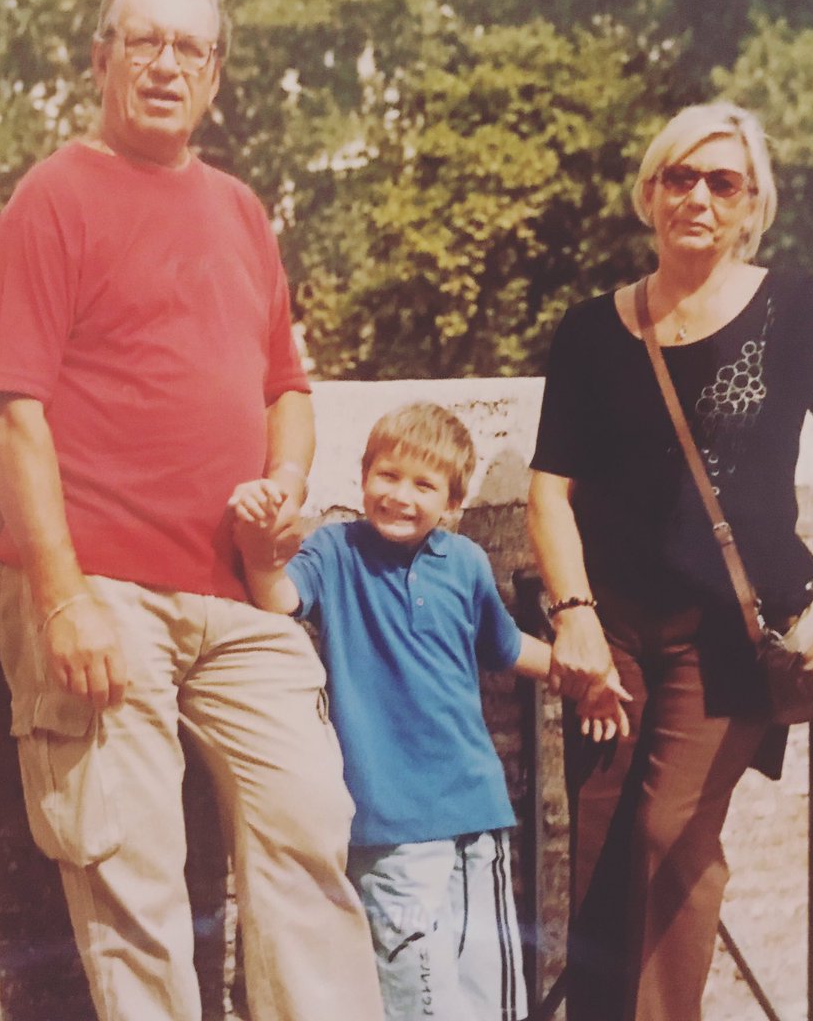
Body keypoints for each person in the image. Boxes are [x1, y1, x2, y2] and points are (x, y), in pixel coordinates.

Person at [0, 0, 382, 1021]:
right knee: (134, 880)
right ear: (101, 59)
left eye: (190, 48)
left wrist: (285, 481)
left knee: (312, 832)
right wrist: (62, 600)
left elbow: (287, 389)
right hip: (101, 590)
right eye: (144, 41)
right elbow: (10, 413)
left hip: (239, 600)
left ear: (215, 75)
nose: (166, 65)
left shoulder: (240, 210)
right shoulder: (53, 198)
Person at [526, 101, 813, 1021]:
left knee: (670, 835)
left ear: (752, 205)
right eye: (680, 177)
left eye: (723, 183)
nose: (699, 199)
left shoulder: (793, 306)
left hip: (729, 634)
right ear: (650, 193)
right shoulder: (590, 331)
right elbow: (550, 493)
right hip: (612, 635)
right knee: (602, 853)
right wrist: (574, 616)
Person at [229, 401, 629, 1021]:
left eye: (423, 484)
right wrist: (259, 552)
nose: (400, 495)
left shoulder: (465, 562)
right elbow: (279, 598)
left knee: (493, 1002)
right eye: (387, 475)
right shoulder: (335, 550)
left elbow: (505, 646)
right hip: (392, 829)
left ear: (452, 504)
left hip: (478, 817)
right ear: (363, 476)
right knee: (421, 1006)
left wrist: (588, 678)